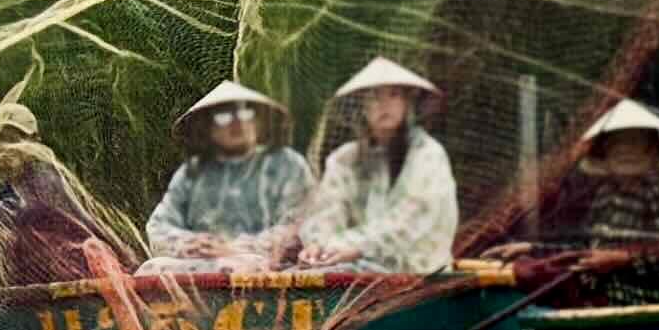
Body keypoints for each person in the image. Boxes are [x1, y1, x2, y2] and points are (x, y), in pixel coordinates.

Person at [293, 57, 456, 273]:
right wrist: (317, 245)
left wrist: (354, 247)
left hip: (419, 271)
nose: (384, 104)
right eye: (374, 97)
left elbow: (410, 221)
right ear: (361, 106)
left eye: (393, 95)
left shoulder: (428, 155)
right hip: (354, 265)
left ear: (407, 103)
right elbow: (327, 212)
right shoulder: (344, 159)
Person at [145, 82, 311, 262]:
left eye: (245, 113)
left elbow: (300, 222)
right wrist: (191, 244)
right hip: (202, 265)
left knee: (250, 263)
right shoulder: (191, 173)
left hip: (273, 267)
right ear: (207, 127)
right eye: (223, 116)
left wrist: (237, 249)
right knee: (156, 266)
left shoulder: (287, 163)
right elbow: (159, 225)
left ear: (258, 122)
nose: (237, 122)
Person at [570, 96, 659, 305]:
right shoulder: (606, 191)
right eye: (616, 143)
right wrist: (532, 249)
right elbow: (587, 244)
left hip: (647, 303)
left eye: (634, 142)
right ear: (604, 152)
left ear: (652, 149)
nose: (625, 150)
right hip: (601, 295)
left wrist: (622, 259)